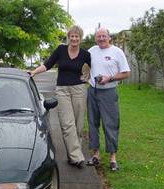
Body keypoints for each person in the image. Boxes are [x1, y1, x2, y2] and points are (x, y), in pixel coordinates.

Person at [29, 25, 91, 169]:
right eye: (72, 36)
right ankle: (77, 157)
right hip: (62, 90)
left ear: (80, 38)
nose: (74, 38)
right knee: (67, 124)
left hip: (79, 90)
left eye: (77, 36)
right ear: (68, 37)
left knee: (78, 125)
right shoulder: (61, 50)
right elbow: (47, 65)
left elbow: (93, 68)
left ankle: (72, 155)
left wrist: (87, 77)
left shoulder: (85, 54)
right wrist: (33, 72)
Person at [86, 27, 131, 171]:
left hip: (109, 92)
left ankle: (113, 158)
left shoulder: (117, 52)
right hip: (93, 91)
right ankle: (96, 155)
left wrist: (109, 78)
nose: (101, 39)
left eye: (104, 36)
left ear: (109, 37)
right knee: (93, 123)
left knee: (110, 124)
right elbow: (84, 67)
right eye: (98, 36)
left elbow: (126, 73)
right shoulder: (91, 51)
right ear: (95, 38)